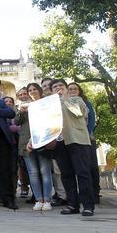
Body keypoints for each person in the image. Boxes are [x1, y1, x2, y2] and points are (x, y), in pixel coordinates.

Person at [51, 79, 95, 216]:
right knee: (66, 174)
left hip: (77, 140)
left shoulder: (75, 100)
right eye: (55, 87)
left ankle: (88, 205)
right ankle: (72, 205)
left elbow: (80, 112)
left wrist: (63, 99)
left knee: (82, 173)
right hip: (59, 143)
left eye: (61, 86)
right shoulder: (49, 106)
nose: (58, 88)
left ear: (65, 88)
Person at [17, 83, 54, 211]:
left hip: (43, 141)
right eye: (30, 90)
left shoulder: (46, 104)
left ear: (39, 91)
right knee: (33, 173)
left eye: (34, 89)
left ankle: (47, 199)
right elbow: (16, 122)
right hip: (26, 143)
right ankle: (39, 199)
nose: (32, 92)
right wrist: (21, 112)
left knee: (45, 171)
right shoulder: (25, 105)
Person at [68, 82, 101, 204]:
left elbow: (91, 120)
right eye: (70, 88)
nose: (72, 90)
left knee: (91, 166)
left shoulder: (85, 103)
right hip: (73, 138)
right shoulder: (66, 102)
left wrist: (86, 133)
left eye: (75, 88)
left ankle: (95, 193)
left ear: (79, 90)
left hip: (87, 138)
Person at [41, 76, 68, 205]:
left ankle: (68, 195)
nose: (46, 88)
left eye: (48, 85)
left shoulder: (65, 100)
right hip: (52, 140)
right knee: (56, 170)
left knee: (65, 169)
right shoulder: (44, 103)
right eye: (44, 86)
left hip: (66, 139)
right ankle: (61, 195)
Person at [15, 87, 31, 199]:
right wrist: (20, 112)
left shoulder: (36, 104)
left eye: (24, 94)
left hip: (36, 138)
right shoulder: (18, 108)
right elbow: (16, 122)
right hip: (23, 141)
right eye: (20, 95)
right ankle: (26, 188)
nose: (22, 96)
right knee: (25, 168)